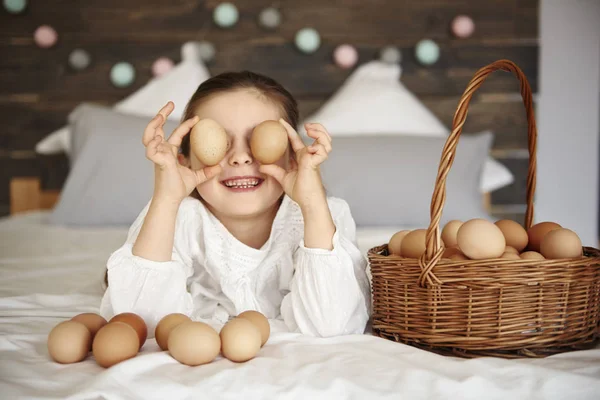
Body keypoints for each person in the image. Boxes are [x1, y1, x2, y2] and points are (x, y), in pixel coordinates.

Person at [99, 71, 371, 337]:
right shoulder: (176, 216)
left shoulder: (326, 217)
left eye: (260, 139)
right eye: (218, 141)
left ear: (292, 159)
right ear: (185, 162)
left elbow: (333, 324)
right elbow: (136, 323)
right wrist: (166, 197)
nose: (240, 157)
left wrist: (312, 203)